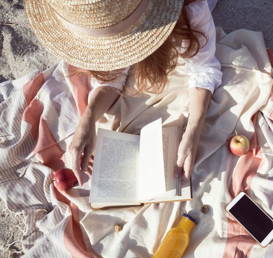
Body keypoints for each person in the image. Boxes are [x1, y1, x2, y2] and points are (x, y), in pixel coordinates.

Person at [25, 0, 223, 185]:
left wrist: (194, 129)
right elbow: (114, 72)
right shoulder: (83, 10)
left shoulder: (190, 8)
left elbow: (204, 69)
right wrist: (89, 118)